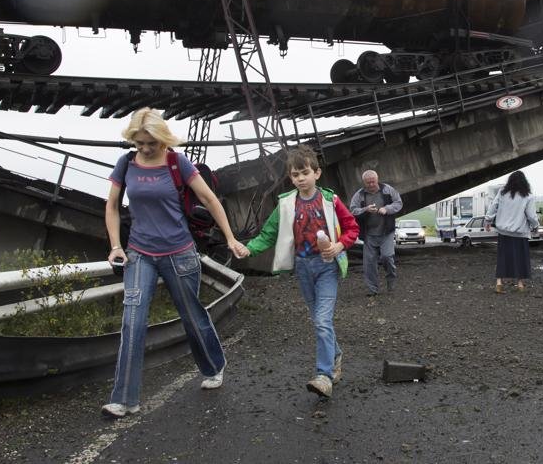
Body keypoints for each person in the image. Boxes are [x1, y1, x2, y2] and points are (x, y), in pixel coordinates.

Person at [101, 108, 249, 419]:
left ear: (163, 139)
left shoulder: (176, 162)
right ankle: (125, 399)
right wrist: (116, 245)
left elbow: (209, 199)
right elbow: (112, 205)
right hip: (139, 252)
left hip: (179, 253)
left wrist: (231, 238)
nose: (143, 149)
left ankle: (213, 366)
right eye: (138, 143)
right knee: (133, 321)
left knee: (191, 316)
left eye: (149, 143)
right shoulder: (126, 163)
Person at [239, 145, 359, 399]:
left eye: (305, 172)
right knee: (318, 320)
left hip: (327, 266)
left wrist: (339, 245)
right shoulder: (285, 204)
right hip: (303, 268)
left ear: (317, 173)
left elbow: (351, 228)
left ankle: (323, 375)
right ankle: (336, 355)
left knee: (323, 320)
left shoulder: (330, 200)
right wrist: (248, 249)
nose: (300, 178)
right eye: (295, 175)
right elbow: (269, 234)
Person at [349, 170, 403, 296]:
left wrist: (387, 209)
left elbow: (398, 203)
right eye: (368, 182)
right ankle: (373, 290)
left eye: (373, 181)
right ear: (364, 183)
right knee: (369, 264)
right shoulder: (360, 195)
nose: (371, 184)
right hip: (369, 234)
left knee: (387, 256)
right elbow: (352, 210)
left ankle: (391, 280)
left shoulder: (387, 190)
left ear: (377, 179)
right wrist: (365, 209)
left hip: (386, 232)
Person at [484, 170, 540, 294]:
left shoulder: (502, 193)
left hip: (503, 232)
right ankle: (519, 284)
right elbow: (531, 215)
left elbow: (493, 206)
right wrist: (535, 226)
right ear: (525, 182)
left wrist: (488, 220)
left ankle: (499, 283)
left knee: (502, 257)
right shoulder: (528, 196)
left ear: (510, 182)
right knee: (521, 258)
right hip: (520, 233)